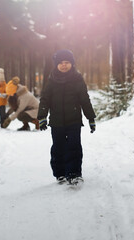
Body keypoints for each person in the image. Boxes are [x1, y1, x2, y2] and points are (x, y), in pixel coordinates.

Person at [37, 49, 96, 185]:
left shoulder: (77, 79)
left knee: (74, 146)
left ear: (72, 64)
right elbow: (45, 99)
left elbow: (84, 99)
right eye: (61, 63)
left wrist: (90, 118)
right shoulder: (52, 80)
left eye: (67, 62)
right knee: (58, 147)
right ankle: (60, 173)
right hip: (56, 122)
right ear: (56, 64)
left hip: (74, 121)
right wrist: (42, 117)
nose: (64, 65)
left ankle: (74, 173)